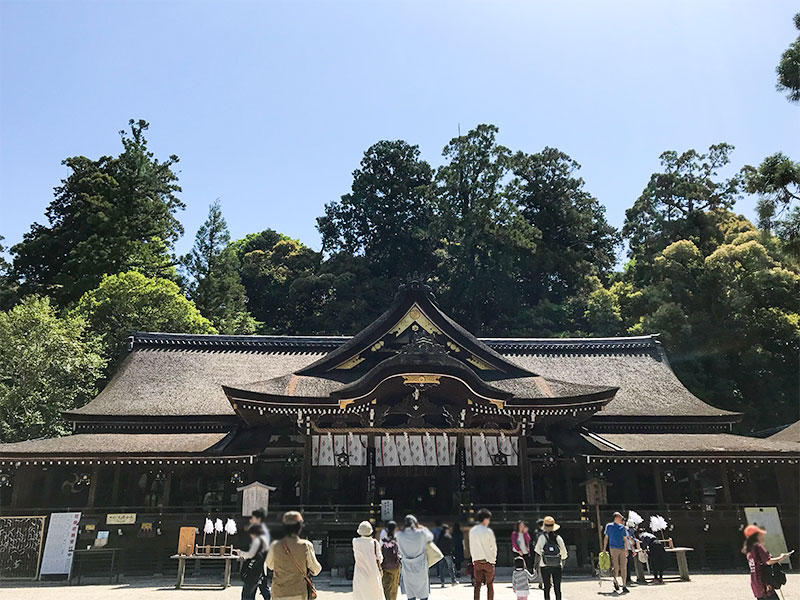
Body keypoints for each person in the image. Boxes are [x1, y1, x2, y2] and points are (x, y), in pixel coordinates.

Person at [265, 511, 322, 600]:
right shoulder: (305, 545)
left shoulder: (275, 546)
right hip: (298, 593)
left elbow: (270, 565)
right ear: (299, 527)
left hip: (279, 593)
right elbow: (316, 569)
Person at [743, 524, 790, 599]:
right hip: (764, 582)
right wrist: (781, 557)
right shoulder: (757, 546)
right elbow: (768, 561)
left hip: (755, 582)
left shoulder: (748, 548)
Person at [395, 514, 434, 600]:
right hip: (421, 565)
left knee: (410, 592)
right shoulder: (421, 533)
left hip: (407, 565)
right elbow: (431, 537)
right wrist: (422, 528)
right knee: (423, 591)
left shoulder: (399, 535)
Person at [534, 516, 567, 600]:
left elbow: (537, 552)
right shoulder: (558, 538)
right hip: (557, 565)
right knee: (557, 588)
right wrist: (562, 562)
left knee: (547, 588)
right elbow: (564, 554)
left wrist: (535, 565)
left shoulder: (542, 538)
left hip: (545, 565)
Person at [352, 521, 385, 600]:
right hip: (373, 574)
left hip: (360, 575)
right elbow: (380, 559)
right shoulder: (374, 543)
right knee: (375, 595)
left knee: (360, 596)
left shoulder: (355, 541)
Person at [469, 508, 497, 600]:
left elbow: (471, 546)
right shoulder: (488, 531)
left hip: (477, 561)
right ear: (485, 519)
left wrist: (473, 559)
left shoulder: (472, 531)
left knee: (477, 585)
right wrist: (493, 560)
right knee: (490, 585)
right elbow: (493, 547)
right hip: (487, 561)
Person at [238, 524, 270, 600]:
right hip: (261, 569)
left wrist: (241, 553)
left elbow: (251, 554)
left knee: (247, 594)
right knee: (264, 590)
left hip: (253, 571)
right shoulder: (264, 541)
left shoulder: (257, 542)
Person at [603, 511, 630, 593]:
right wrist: (604, 548)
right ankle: (615, 580)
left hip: (622, 548)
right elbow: (606, 537)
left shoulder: (623, 528)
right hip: (613, 548)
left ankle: (624, 585)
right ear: (616, 518)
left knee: (623, 567)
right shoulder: (609, 526)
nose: (621, 519)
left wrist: (626, 549)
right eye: (620, 517)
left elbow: (625, 539)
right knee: (616, 567)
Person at [251, 508, 272, 599]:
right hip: (260, 560)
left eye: (253, 517)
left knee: (256, 586)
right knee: (262, 586)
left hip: (259, 561)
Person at [381, 521, 402, 600]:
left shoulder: (383, 539)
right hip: (395, 566)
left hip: (385, 565)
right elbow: (400, 552)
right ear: (395, 528)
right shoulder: (397, 539)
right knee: (394, 586)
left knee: (386, 586)